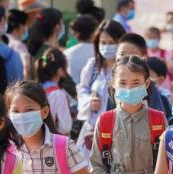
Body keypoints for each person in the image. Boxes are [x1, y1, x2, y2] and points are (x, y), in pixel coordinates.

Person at [76, 20, 127, 158]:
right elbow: (82, 88)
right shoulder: (93, 66)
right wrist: (90, 101)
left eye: (111, 42)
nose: (107, 47)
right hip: (92, 128)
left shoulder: (126, 68)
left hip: (118, 130)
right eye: (103, 42)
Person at [35, 48, 73, 136]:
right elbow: (65, 127)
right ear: (60, 70)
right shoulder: (58, 94)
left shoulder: (34, 90)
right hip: (52, 139)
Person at [65, 14, 99, 84]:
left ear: (76, 33)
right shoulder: (101, 51)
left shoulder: (67, 53)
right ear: (94, 32)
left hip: (74, 88)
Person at [5, 9, 32, 79]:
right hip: (16, 83)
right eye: (25, 25)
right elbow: (26, 66)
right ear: (20, 26)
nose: (25, 29)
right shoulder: (19, 45)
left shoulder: (2, 40)